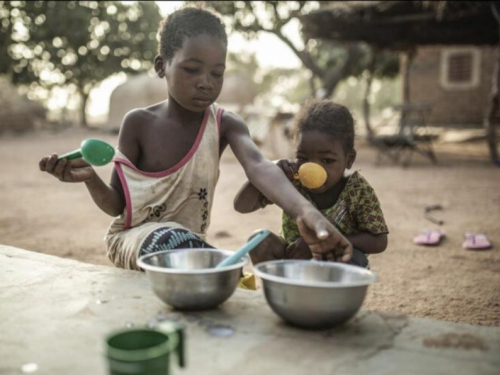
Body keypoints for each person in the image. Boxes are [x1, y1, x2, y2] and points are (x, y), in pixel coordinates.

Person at [38, 8, 352, 271]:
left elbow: (259, 165)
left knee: (241, 257)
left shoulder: (226, 124)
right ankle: (208, 267)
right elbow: (117, 206)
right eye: (192, 70)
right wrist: (90, 178)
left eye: (217, 73)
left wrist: (307, 213)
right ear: (162, 66)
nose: (205, 83)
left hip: (188, 248)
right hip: (137, 241)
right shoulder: (137, 123)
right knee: (184, 249)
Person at [234, 99, 389, 268]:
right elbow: (242, 206)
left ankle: (333, 294)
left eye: (327, 160)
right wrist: (269, 172)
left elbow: (379, 241)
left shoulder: (357, 189)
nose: (313, 167)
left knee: (352, 256)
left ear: (349, 160)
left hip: (336, 261)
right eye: (303, 158)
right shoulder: (291, 179)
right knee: (259, 241)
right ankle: (283, 291)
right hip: (294, 257)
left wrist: (321, 242)